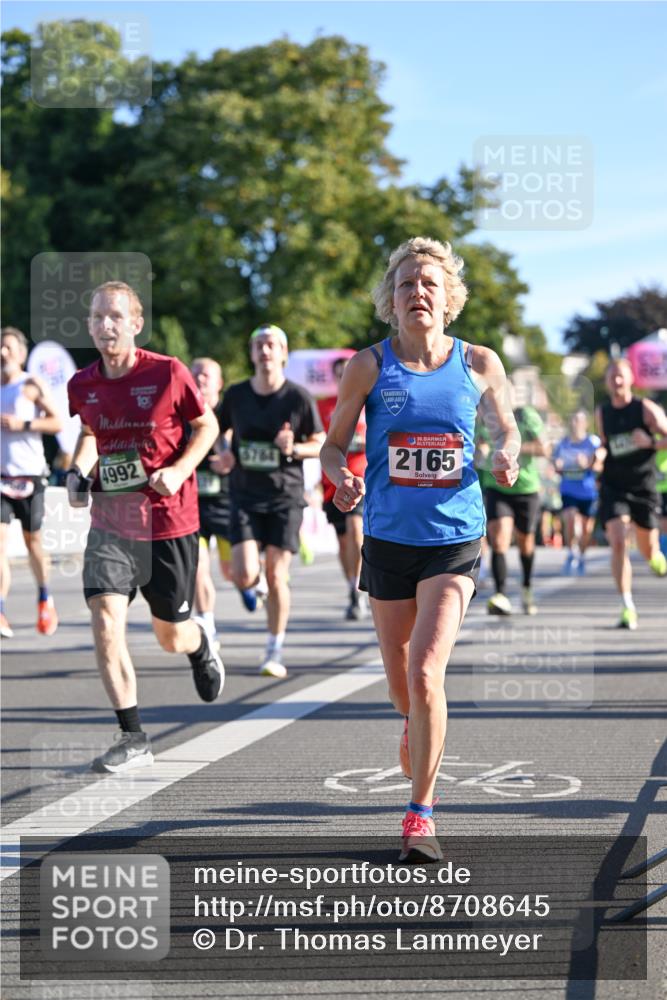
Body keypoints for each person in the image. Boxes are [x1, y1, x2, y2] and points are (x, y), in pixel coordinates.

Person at [320, 237, 519, 862]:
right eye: (406, 284)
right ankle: (413, 719)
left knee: (427, 672)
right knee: (401, 684)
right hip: (385, 539)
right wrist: (339, 475)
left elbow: (506, 423)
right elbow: (332, 444)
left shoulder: (479, 362)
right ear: (392, 299)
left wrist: (506, 448)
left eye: (430, 283)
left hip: (453, 539)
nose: (418, 293)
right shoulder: (368, 366)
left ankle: (420, 814)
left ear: (449, 297)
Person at [66, 281, 224, 773]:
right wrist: (76, 470)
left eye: (115, 316)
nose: (105, 325)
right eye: (97, 317)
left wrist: (178, 470)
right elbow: (90, 433)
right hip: (112, 522)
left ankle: (199, 643)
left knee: (169, 636)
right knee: (106, 621)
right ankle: (132, 735)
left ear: (135, 323)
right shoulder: (83, 384)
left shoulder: (168, 373)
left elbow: (208, 427)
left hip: (169, 521)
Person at [218, 324, 325, 679]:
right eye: (259, 345)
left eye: (271, 346)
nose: (265, 352)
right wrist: (225, 454)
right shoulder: (235, 395)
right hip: (245, 494)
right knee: (245, 573)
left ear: (283, 353)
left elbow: (321, 442)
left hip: (284, 496)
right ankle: (256, 585)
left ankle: (273, 650)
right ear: (251, 354)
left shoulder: (297, 397)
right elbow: (216, 431)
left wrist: (293, 449)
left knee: (277, 574)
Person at [595, 358, 667, 630]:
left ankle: (656, 557)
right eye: (612, 376)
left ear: (631, 379)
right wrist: (597, 456)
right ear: (607, 381)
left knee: (648, 550)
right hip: (614, 486)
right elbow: (605, 444)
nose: (616, 381)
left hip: (643, 486)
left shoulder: (645, 409)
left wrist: (651, 442)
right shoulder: (602, 412)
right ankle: (627, 606)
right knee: (618, 542)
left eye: (621, 375)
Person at [1, 327, 62, 638]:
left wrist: (22, 423)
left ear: (21, 354)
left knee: (32, 542)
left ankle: (44, 596)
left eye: (9, 348)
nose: (3, 353)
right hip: (1, 478)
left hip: (30, 476)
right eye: (0, 348)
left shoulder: (30, 385)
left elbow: (57, 422)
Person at [482, 381, 549, 616]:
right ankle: (500, 594)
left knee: (525, 542)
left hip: (526, 488)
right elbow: (479, 441)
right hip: (497, 486)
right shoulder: (486, 416)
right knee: (499, 538)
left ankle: (527, 588)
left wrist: (513, 449)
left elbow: (545, 449)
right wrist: (481, 449)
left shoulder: (526, 415)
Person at [317, 356, 368, 620]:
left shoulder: (368, 402)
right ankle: (352, 587)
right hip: (332, 483)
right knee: (343, 540)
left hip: (361, 479)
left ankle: (360, 585)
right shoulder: (324, 405)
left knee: (355, 531)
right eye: (339, 373)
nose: (343, 377)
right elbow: (322, 444)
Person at [553, 410, 602, 574]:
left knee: (587, 530)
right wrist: (558, 466)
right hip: (569, 489)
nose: (574, 424)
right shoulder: (563, 443)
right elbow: (556, 464)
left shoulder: (593, 442)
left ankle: (581, 556)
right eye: (572, 421)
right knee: (570, 519)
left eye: (578, 421)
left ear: (585, 424)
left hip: (588, 491)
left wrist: (587, 464)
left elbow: (600, 466)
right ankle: (570, 553)